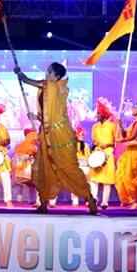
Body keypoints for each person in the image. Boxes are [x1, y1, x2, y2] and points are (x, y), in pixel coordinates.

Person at [15, 62, 97, 214]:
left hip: (61, 135)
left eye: (49, 72)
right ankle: (43, 203)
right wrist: (36, 117)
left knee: (68, 168)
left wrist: (22, 76)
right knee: (44, 167)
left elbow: (38, 84)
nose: (46, 74)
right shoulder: (46, 89)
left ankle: (90, 199)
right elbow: (48, 116)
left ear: (57, 76)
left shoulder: (59, 88)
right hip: (46, 134)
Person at [115, 102, 137, 209]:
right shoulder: (134, 123)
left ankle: (136, 201)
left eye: (135, 107)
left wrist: (121, 140)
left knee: (132, 177)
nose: (132, 109)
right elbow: (126, 134)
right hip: (128, 152)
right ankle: (126, 199)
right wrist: (120, 125)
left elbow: (133, 137)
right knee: (121, 175)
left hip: (135, 153)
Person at [89, 102, 118, 209]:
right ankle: (94, 199)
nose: (97, 115)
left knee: (107, 180)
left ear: (104, 114)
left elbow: (116, 140)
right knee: (94, 179)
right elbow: (93, 140)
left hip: (108, 152)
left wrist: (108, 146)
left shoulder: (112, 126)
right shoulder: (95, 127)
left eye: (98, 113)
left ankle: (105, 202)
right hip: (97, 152)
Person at [13, 128, 39, 205]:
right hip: (26, 168)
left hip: (25, 168)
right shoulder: (28, 146)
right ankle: (35, 201)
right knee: (34, 183)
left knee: (32, 184)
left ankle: (32, 200)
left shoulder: (22, 145)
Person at [71, 126, 92, 206]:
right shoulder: (73, 145)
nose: (81, 136)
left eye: (82, 135)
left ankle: (84, 199)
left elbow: (88, 158)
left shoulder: (85, 146)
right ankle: (77, 200)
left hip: (83, 167)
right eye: (80, 134)